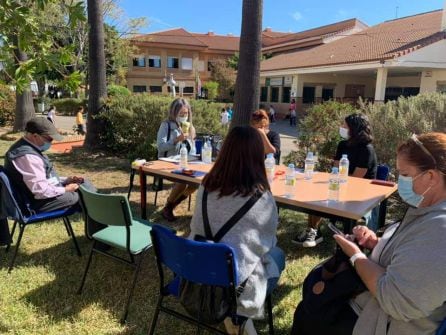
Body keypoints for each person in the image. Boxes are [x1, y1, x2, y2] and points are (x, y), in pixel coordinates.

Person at [292, 132, 446, 335]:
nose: (401, 182)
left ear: (431, 177)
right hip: (372, 311)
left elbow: (396, 300)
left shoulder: (440, 230)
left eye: (406, 174)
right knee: (313, 302)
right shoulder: (429, 210)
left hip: (380, 323)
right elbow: (414, 254)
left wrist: (356, 256)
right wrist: (377, 243)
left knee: (309, 313)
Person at [189, 126, 285, 334]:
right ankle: (237, 314)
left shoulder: (205, 187)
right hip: (233, 282)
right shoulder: (262, 198)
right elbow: (269, 243)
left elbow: (194, 227)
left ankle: (234, 314)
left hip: (196, 270)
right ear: (257, 156)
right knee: (278, 255)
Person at [293, 113, 377, 247]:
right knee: (316, 194)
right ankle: (313, 230)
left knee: (323, 195)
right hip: (340, 185)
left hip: (359, 193)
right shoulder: (343, 144)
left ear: (353, 128)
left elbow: (356, 180)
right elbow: (336, 169)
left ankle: (315, 231)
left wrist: (335, 185)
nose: (341, 127)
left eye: (344, 125)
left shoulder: (367, 149)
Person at [3, 117, 90, 212]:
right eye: (49, 138)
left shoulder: (28, 148)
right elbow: (41, 191)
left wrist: (66, 180)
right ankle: (101, 221)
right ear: (35, 136)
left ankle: (100, 218)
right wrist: (66, 189)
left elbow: (40, 179)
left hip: (37, 197)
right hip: (34, 203)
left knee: (84, 183)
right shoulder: (28, 157)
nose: (51, 141)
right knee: (84, 196)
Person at [157, 98, 198, 221]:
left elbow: (193, 150)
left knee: (197, 183)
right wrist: (176, 140)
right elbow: (161, 146)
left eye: (186, 114)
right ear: (173, 113)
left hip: (185, 163)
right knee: (182, 181)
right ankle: (168, 207)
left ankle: (170, 207)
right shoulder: (166, 126)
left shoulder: (190, 127)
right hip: (167, 162)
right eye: (181, 114)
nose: (183, 116)